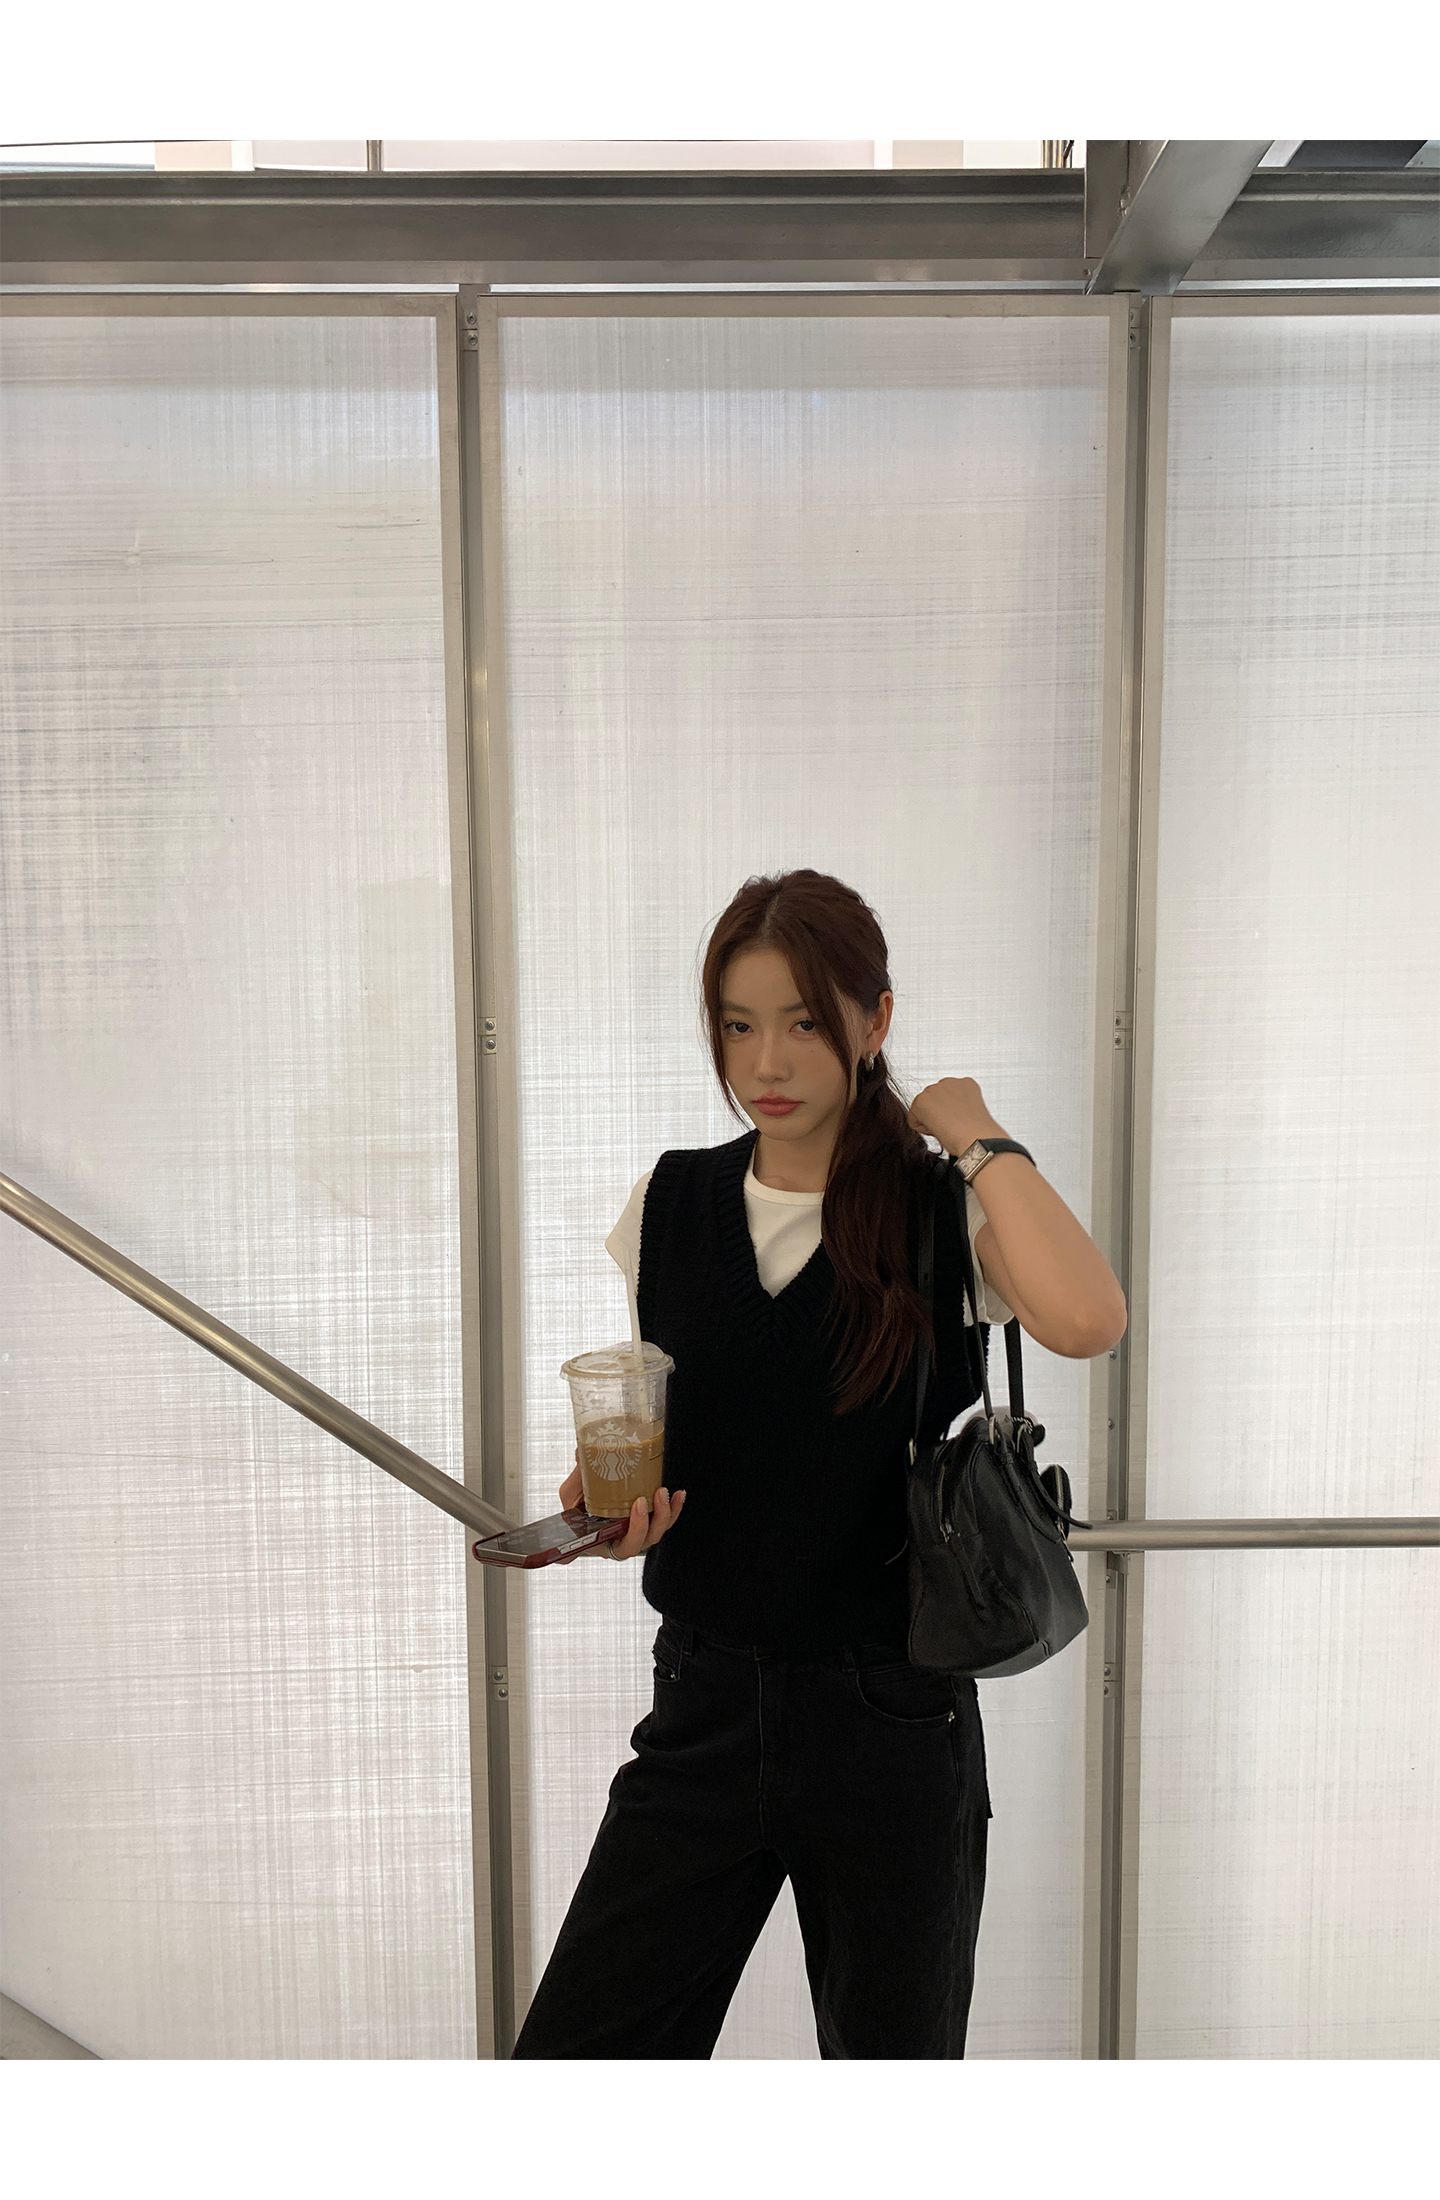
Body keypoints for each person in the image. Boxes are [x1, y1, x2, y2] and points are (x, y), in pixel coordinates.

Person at [511, 868, 1127, 2060]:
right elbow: (693, 1426)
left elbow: (1089, 1317)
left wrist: (975, 1132)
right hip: (703, 1702)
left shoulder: (945, 1211)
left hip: (890, 1718)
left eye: (802, 1022)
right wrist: (616, 1507)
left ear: (875, 1018)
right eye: (738, 1025)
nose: (767, 1062)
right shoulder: (668, 1204)